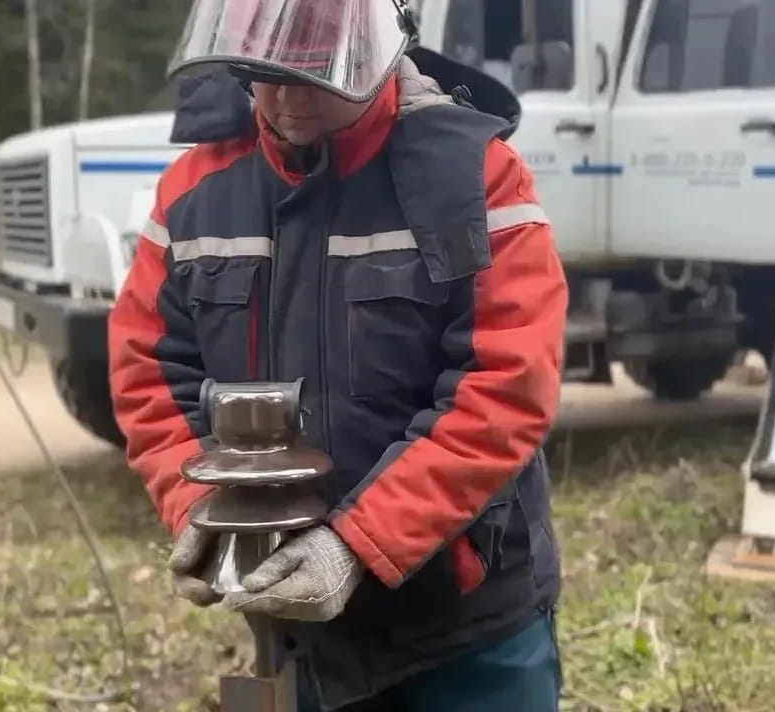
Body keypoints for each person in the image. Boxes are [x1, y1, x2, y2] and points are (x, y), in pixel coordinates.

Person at [106, 1, 568, 710]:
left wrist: (357, 544)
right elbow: (149, 372)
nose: (287, 100)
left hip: (467, 626)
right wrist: (198, 506)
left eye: (315, 73)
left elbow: (503, 387)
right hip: (301, 636)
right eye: (264, 74)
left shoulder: (473, 177)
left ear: (378, 50)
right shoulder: (194, 194)